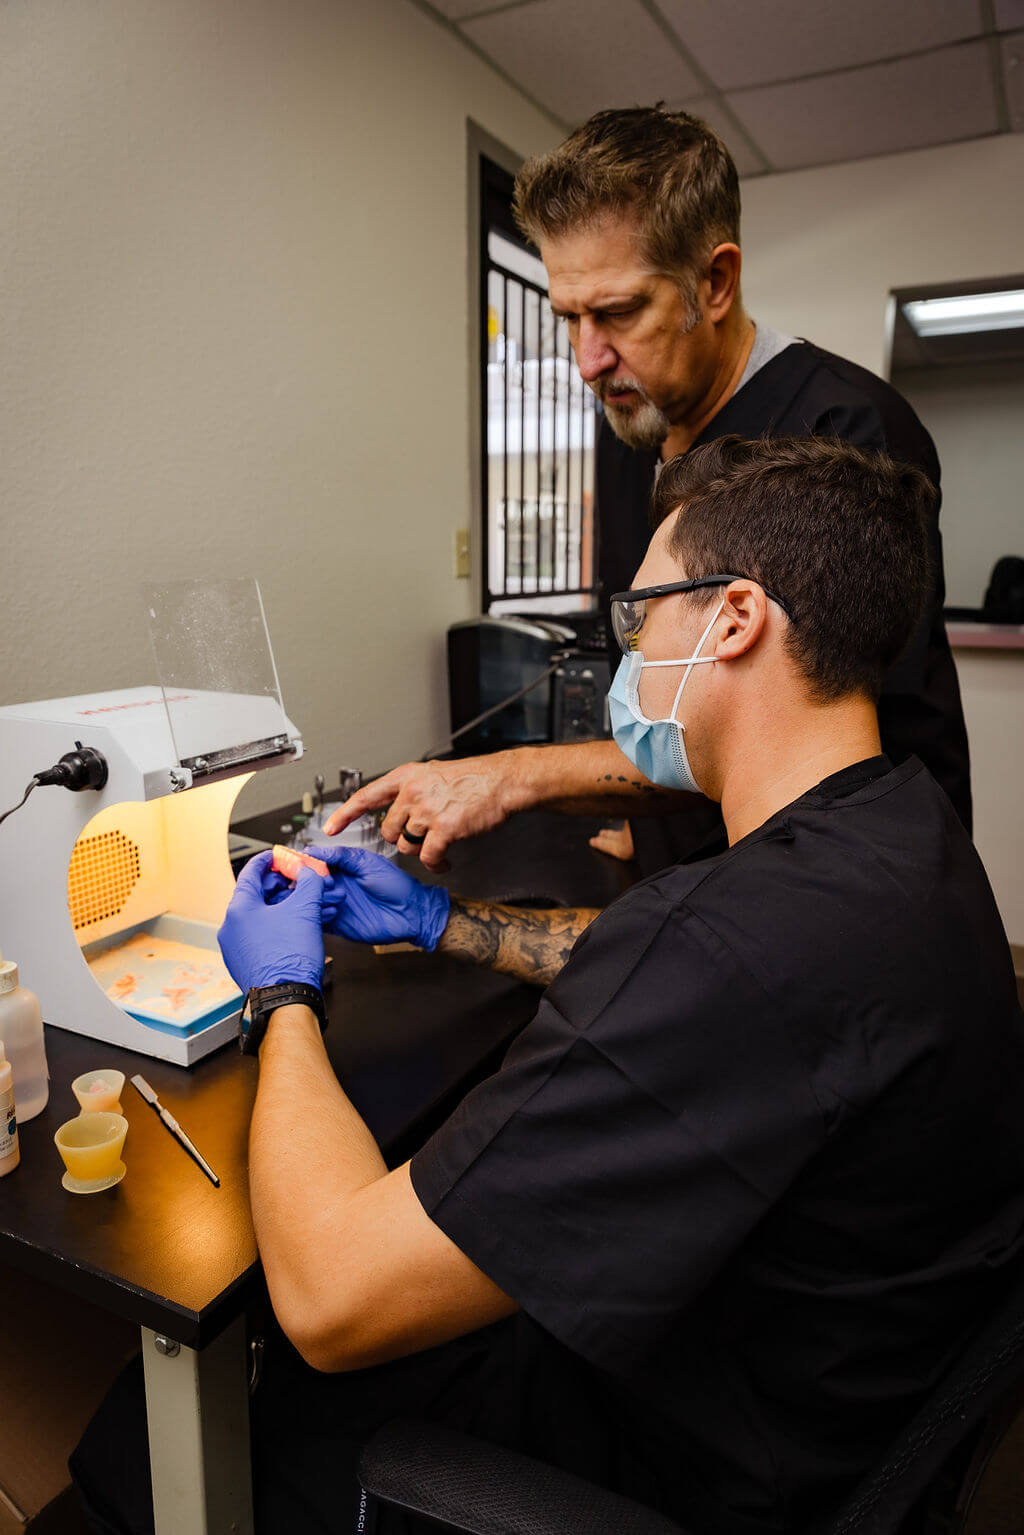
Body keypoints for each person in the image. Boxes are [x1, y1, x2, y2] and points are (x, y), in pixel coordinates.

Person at [72, 437, 1024, 1535]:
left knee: (185, 1412)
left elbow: (332, 1292)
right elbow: (697, 981)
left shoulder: (727, 944)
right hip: (823, 1384)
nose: (627, 654)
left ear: (733, 619)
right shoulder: (904, 837)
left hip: (689, 1459)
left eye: (642, 614)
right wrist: (443, 921)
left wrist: (282, 995)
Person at [327, 107, 971, 873]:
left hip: (834, 881)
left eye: (619, 312)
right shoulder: (639, 416)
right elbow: (658, 665)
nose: (587, 360)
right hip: (696, 862)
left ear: (716, 280)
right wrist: (649, 824)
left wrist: (512, 774)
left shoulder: (845, 428)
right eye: (569, 318)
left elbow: (792, 732)